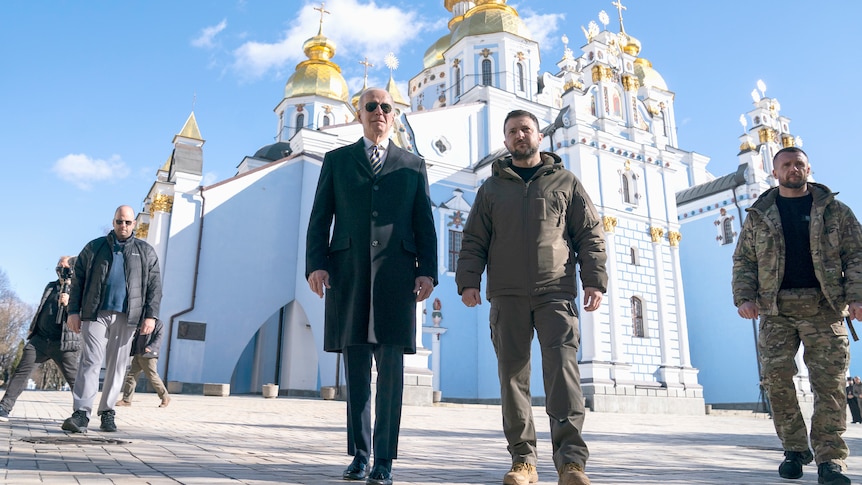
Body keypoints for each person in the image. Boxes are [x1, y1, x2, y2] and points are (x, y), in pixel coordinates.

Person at [456, 109, 607, 485]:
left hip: (555, 292)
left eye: (526, 129)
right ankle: (523, 461)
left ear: (539, 136)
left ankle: (571, 463)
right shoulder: (491, 189)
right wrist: (468, 281)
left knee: (564, 376)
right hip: (506, 295)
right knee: (512, 378)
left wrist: (594, 280)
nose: (520, 136)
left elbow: (589, 233)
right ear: (506, 141)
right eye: (512, 132)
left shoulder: (565, 182)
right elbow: (474, 239)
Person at [306, 87, 437, 485]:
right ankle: (360, 455)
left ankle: (385, 461)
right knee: (357, 372)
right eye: (371, 107)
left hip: (396, 279)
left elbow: (424, 223)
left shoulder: (412, 165)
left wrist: (427, 270)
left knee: (391, 376)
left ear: (393, 116)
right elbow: (319, 217)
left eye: (386, 108)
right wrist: (316, 265)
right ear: (359, 113)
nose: (379, 112)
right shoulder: (338, 160)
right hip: (348, 275)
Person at [732, 147, 862, 485]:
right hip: (776, 311)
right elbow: (744, 261)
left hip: (825, 309)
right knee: (776, 382)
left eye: (799, 164)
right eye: (786, 165)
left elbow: (856, 256)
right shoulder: (759, 215)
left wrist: (858, 298)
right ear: (775, 172)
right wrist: (744, 298)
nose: (793, 169)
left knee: (830, 386)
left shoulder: (835, 211)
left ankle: (830, 460)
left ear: (808, 168)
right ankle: (794, 449)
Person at [62, 205, 162, 434]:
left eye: (127, 222)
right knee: (90, 361)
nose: (123, 226)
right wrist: (73, 311)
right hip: (95, 314)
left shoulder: (145, 251)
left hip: (128, 317)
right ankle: (81, 414)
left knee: (118, 366)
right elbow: (78, 281)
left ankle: (107, 412)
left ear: (134, 224)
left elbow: (154, 287)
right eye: (119, 222)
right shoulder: (95, 247)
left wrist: (151, 315)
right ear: (113, 222)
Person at [0, 256, 81, 422]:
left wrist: (69, 302)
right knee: (21, 372)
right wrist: (33, 326)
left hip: (64, 342)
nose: (60, 269)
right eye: (58, 266)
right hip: (41, 340)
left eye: (64, 266)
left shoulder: (79, 289)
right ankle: (4, 407)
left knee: (75, 380)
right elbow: (41, 308)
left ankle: (81, 413)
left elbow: (80, 316)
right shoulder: (51, 286)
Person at [115, 319, 170, 408]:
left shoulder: (158, 323)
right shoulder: (141, 321)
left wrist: (151, 347)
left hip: (149, 355)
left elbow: (159, 337)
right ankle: (126, 400)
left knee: (153, 377)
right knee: (131, 376)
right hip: (138, 352)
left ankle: (165, 397)